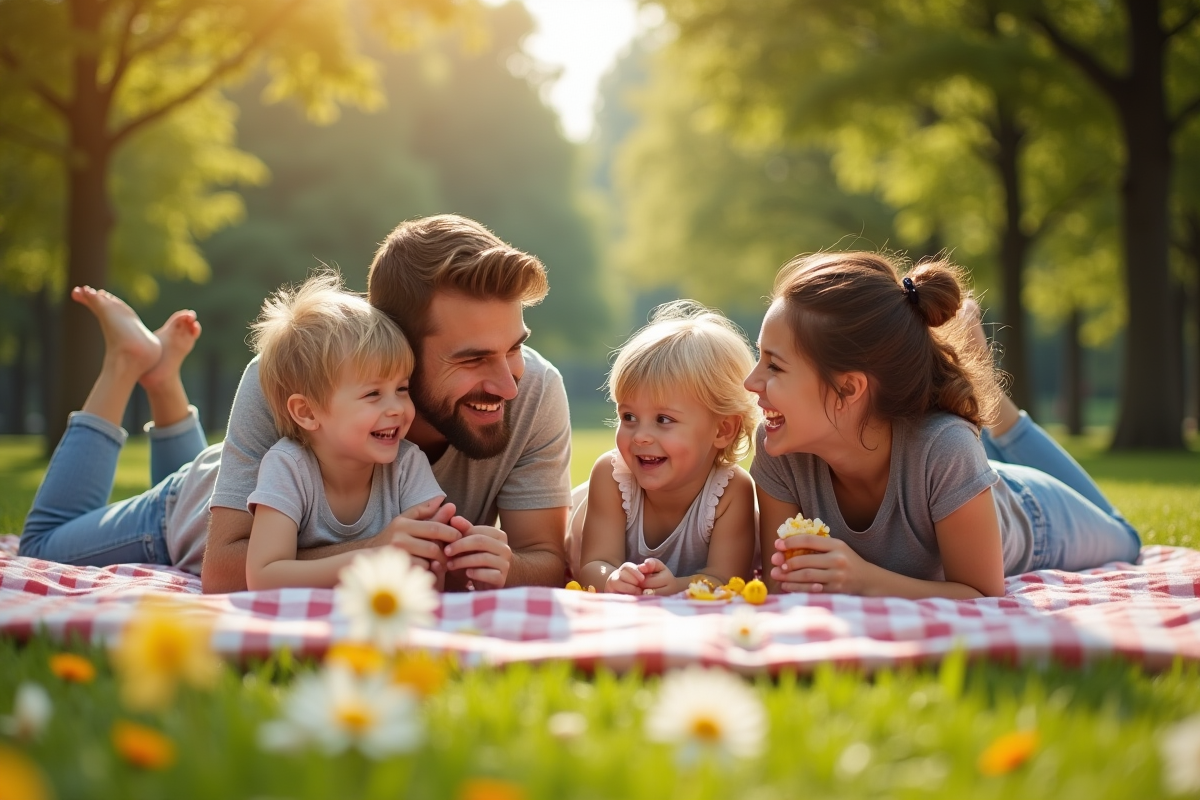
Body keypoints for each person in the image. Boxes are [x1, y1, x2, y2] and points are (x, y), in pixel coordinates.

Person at [201, 215, 573, 593]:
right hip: (186, 503)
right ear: (400, 348)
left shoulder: (537, 390)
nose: (509, 388)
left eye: (514, 347)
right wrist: (375, 553)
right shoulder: (298, 375)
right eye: (472, 360)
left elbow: (543, 559)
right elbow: (223, 573)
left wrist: (494, 567)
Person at [745, 251, 1141, 600]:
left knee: (1127, 539)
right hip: (956, 483)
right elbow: (784, 586)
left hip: (1031, 513)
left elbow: (983, 592)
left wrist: (865, 579)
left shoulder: (946, 448)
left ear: (848, 388)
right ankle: (982, 403)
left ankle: (994, 407)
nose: (751, 382)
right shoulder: (779, 448)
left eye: (774, 365)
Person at [244, 275, 450, 590]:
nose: (397, 407)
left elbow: (429, 570)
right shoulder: (288, 466)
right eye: (373, 394)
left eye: (402, 388)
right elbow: (264, 577)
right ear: (307, 412)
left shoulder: (407, 464)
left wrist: (459, 557)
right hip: (175, 515)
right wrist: (371, 558)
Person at [18, 286, 214, 567]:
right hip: (207, 511)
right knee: (40, 546)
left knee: (192, 492)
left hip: (214, 490)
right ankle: (126, 360)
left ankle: (161, 379)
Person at [571, 301, 758, 595]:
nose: (641, 436)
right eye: (629, 416)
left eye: (663, 419)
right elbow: (595, 563)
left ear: (723, 429)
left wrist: (675, 586)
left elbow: (725, 579)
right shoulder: (612, 476)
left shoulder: (730, 492)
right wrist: (611, 578)